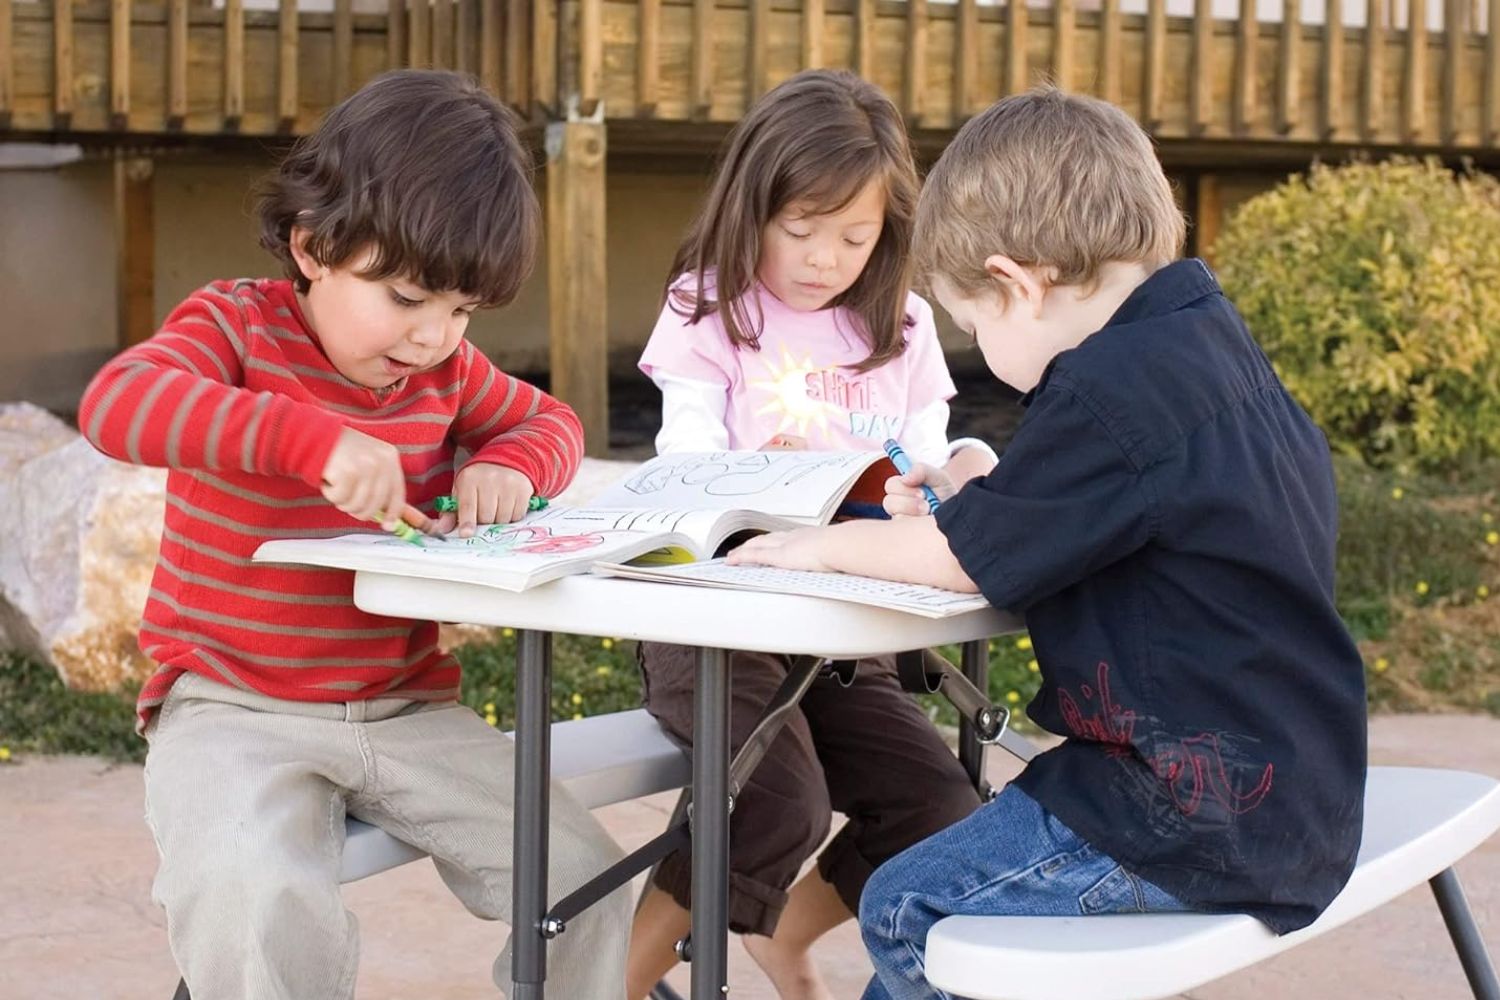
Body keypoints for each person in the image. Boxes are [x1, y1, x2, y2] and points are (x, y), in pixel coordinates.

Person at [729, 87, 1368, 1000]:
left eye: (974, 323)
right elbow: (1126, 507)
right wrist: (991, 495)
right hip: (1286, 790)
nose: (982, 347)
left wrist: (816, 549)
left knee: (906, 903)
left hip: (1192, 811)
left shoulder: (1108, 391)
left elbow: (960, 560)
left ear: (1020, 282)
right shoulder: (1203, 347)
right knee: (951, 884)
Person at [77, 69, 630, 1000]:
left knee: (586, 879)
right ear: (313, 245)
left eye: (461, 312)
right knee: (253, 899)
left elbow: (551, 424)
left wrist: (508, 467)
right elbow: (117, 405)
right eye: (408, 298)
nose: (432, 338)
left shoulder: (446, 375)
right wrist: (306, 438)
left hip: (406, 708)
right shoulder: (237, 329)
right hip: (232, 707)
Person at [626, 69, 995, 1000]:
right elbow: (684, 467)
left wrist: (958, 469)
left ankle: (785, 934)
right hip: (719, 623)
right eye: (799, 229)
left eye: (855, 235)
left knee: (939, 804)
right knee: (776, 800)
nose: (825, 257)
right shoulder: (710, 306)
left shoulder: (899, 324)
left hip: (843, 630)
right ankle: (610, 984)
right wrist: (766, 477)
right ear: (753, 206)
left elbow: (925, 456)